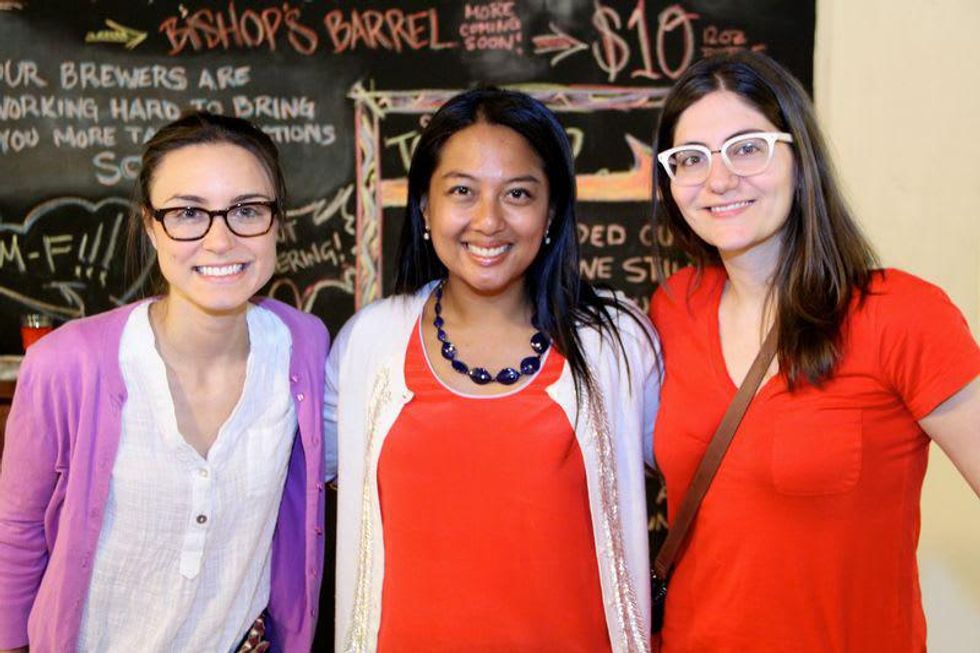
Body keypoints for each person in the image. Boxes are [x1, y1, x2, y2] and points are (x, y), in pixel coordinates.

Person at [649, 50, 980, 652]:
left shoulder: (901, 314)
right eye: (690, 159)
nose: (719, 180)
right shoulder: (674, 307)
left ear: (799, 158)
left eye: (747, 147)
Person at [324, 87, 661, 652]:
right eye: (462, 191)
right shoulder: (369, 344)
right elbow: (304, 494)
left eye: (518, 194)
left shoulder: (616, 344)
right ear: (425, 209)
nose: (488, 220)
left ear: (551, 210)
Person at [0, 112, 329, 653]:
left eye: (247, 210)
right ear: (151, 225)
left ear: (277, 222)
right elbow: (17, 534)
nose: (220, 240)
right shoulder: (65, 365)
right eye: (188, 212)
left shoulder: (306, 349)